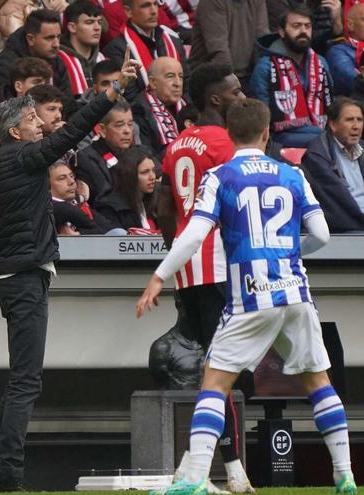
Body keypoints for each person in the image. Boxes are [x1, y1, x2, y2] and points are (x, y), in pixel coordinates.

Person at [137, 98, 356, 495]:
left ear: (229, 133)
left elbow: (194, 233)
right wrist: (287, 253)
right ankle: (345, 476)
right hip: (295, 293)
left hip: (251, 297)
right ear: (267, 131)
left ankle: (194, 479)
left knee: (214, 384)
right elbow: (322, 234)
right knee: (319, 382)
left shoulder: (220, 176)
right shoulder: (291, 173)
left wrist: (159, 275)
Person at [0, 51, 139, 492]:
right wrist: (113, 92)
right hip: (26, 277)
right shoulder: (25, 157)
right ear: (13, 131)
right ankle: (9, 475)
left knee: (19, 379)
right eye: (31, 118)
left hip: (8, 276)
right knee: (27, 381)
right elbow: (77, 130)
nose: (39, 124)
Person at [154, 63, 256, 493]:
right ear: (215, 99)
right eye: (234, 92)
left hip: (190, 271)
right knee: (224, 372)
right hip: (220, 267)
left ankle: (190, 466)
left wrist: (175, 258)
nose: (242, 97)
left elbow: (162, 208)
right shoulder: (224, 142)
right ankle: (232, 472)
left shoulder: (177, 144)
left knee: (210, 372)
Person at [301, 97, 364, 233]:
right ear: (333, 124)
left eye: (359, 120)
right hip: (346, 232)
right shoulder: (317, 156)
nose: (356, 126)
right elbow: (339, 208)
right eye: (349, 120)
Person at [251, 6, 334, 147]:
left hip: (320, 132)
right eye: (296, 26)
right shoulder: (265, 66)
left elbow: (331, 103)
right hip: (282, 138)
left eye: (307, 26)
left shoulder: (320, 62)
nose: (303, 31)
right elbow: (261, 115)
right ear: (282, 32)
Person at [102, 0, 187, 97]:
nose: (154, 11)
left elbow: (187, 83)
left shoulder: (173, 41)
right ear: (128, 11)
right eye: (145, 6)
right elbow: (129, 95)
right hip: (144, 111)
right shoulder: (116, 50)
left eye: (155, 4)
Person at [0, 9, 73, 101]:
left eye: (58, 37)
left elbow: (67, 105)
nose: (56, 44)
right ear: (30, 39)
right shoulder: (5, 67)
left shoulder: (58, 62)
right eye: (49, 38)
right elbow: (1, 108)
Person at [186, 0, 268, 82]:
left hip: (247, 76)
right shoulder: (212, 2)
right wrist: (236, 87)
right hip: (211, 79)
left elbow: (262, 43)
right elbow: (219, 52)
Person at [75, 100, 136, 203]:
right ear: (102, 130)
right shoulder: (87, 159)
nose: (127, 131)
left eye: (130, 124)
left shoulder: (138, 152)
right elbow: (106, 198)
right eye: (119, 125)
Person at [93, 146, 160, 233]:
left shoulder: (154, 199)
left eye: (153, 170)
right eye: (145, 172)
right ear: (130, 176)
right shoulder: (110, 208)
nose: (152, 177)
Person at [133, 56, 185, 158]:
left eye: (181, 77)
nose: (178, 83)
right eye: (170, 76)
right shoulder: (139, 111)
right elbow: (146, 156)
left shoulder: (188, 107)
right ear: (152, 82)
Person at [49, 160, 119, 235]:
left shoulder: (79, 204)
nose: (72, 181)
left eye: (72, 176)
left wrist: (79, 234)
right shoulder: (46, 210)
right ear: (47, 184)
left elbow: (106, 229)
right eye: (62, 178)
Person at [58, 0, 105, 97]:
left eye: (99, 22)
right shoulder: (58, 61)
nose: (97, 28)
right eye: (89, 22)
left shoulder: (104, 60)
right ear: (72, 27)